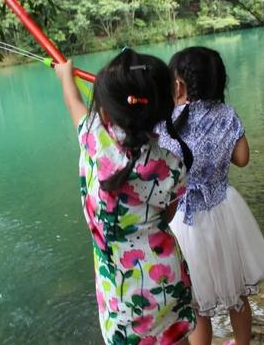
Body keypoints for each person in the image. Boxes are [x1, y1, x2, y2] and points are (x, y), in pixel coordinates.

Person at [55, 49, 196, 345]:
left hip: (122, 289)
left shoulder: (94, 139)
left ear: (107, 111)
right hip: (166, 277)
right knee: (176, 336)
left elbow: (74, 103)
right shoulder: (172, 164)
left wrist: (65, 77)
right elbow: (166, 217)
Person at [156, 47, 264, 345]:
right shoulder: (227, 114)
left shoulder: (165, 123)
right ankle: (241, 343)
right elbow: (242, 158)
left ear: (179, 85)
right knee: (237, 293)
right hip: (225, 209)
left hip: (186, 220)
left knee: (198, 305)